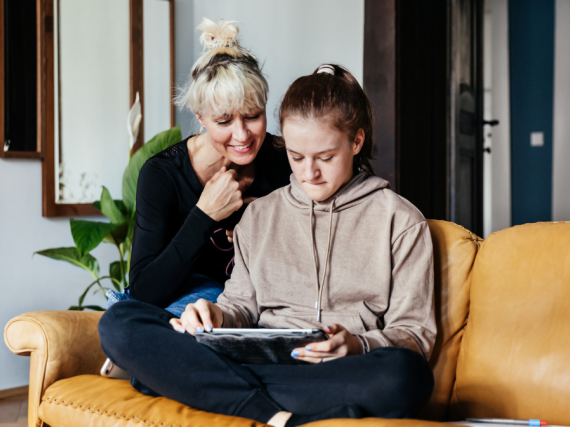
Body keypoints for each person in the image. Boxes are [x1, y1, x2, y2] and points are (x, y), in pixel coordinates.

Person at [100, 64, 436, 427]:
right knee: (119, 321)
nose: (309, 173)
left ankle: (194, 383)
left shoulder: (399, 220)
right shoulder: (259, 214)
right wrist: (215, 316)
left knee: (406, 377)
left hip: (335, 369)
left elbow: (416, 335)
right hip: (257, 358)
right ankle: (276, 416)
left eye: (324, 158)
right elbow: (239, 307)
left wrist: (356, 345)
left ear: (356, 142)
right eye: (295, 157)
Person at [109, 18, 291, 315]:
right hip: (188, 303)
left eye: (253, 116)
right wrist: (204, 214)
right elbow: (144, 292)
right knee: (123, 318)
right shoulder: (162, 175)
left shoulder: (286, 159)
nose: (242, 135)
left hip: (262, 303)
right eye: (223, 121)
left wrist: (269, 217)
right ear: (200, 117)